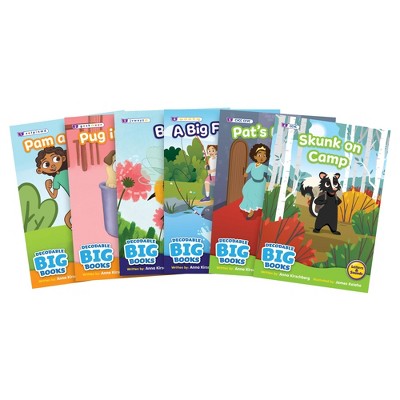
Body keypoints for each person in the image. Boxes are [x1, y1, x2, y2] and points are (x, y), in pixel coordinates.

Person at [35, 146, 72, 229]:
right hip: (74, 200)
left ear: (63, 158)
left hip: (81, 193)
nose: (52, 165)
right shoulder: (57, 178)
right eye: (46, 164)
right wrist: (48, 188)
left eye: (56, 159)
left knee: (68, 219)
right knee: (67, 219)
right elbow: (54, 196)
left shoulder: (70, 170)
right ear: (40, 170)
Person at [239, 143, 271, 219]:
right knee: (246, 192)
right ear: (255, 156)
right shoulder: (251, 165)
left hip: (261, 183)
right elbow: (246, 173)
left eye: (264, 156)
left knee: (258, 196)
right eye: (259, 155)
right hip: (252, 182)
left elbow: (270, 172)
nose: (262, 157)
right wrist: (245, 174)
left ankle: (257, 209)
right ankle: (251, 209)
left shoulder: (264, 167)